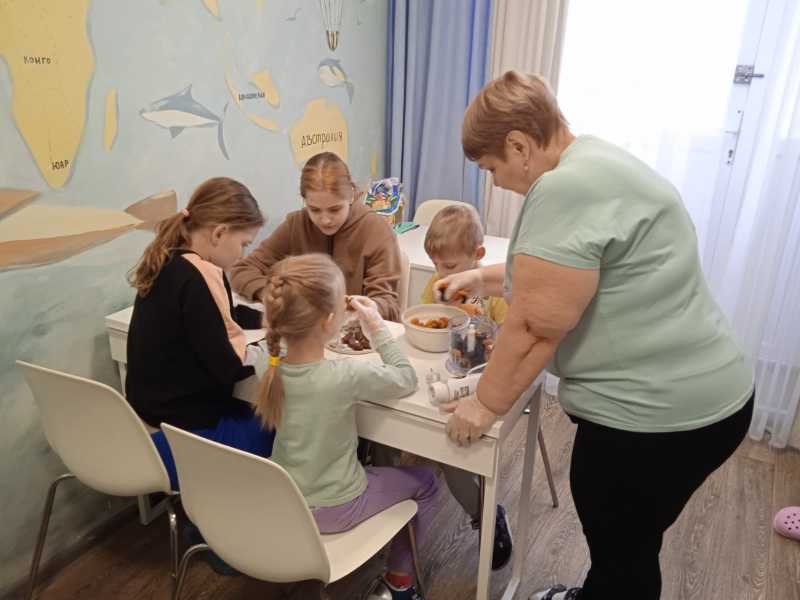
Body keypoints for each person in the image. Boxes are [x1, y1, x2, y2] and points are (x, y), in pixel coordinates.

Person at [436, 71, 754, 600]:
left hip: (653, 416)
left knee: (622, 549)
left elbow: (534, 325)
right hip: (709, 398)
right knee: (631, 542)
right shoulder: (598, 162)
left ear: (519, 146)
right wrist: (480, 277)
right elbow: (572, 268)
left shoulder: (563, 187)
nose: (495, 182)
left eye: (492, 167)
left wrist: (483, 405)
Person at [257, 253, 438, 600]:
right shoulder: (343, 376)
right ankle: (399, 582)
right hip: (337, 507)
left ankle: (308, 576)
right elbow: (405, 377)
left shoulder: (267, 364)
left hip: (287, 503)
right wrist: (377, 328)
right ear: (329, 322)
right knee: (428, 482)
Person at [126, 176, 275, 491]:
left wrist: (268, 319)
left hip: (143, 431)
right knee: (284, 423)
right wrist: (273, 354)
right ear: (219, 233)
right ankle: (240, 511)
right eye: (244, 243)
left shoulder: (170, 261)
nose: (242, 255)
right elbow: (228, 369)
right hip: (184, 438)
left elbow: (221, 315)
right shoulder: (199, 278)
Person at [419, 204, 513, 570]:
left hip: (485, 384)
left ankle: (486, 516)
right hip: (444, 375)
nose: (442, 275)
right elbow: (425, 319)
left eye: (450, 266)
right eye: (437, 265)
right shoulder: (437, 281)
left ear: (478, 255)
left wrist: (479, 323)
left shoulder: (496, 292)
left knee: (453, 450)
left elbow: (509, 342)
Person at [230, 152, 403, 321]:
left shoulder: (376, 230)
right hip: (307, 332)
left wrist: (366, 309)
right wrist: (272, 295)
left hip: (358, 334)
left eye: (335, 209)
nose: (325, 220)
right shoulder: (296, 224)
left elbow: (388, 305)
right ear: (304, 200)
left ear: (351, 194)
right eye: (314, 210)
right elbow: (242, 270)